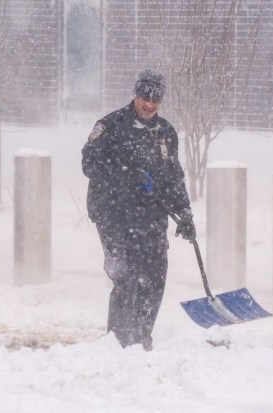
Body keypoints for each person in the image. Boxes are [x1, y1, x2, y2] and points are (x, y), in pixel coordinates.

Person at [81, 69, 196, 350]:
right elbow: (89, 164)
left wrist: (184, 212)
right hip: (113, 213)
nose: (149, 104)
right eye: (144, 97)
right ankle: (119, 343)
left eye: (155, 100)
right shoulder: (111, 126)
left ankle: (142, 338)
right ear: (136, 94)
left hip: (151, 215)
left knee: (155, 276)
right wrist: (125, 174)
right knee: (126, 277)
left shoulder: (165, 132)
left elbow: (173, 176)